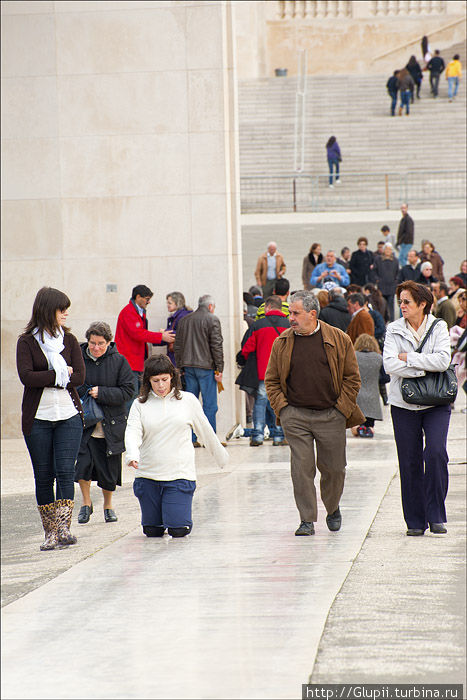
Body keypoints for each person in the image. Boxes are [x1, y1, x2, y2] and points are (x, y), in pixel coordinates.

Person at [265, 290, 364, 536]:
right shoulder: (283, 342)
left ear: (312, 313)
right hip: (296, 416)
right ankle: (306, 519)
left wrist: (342, 409)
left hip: (331, 414)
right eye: (290, 312)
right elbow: (272, 380)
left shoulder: (339, 339)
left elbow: (352, 379)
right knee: (301, 469)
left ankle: (332, 507)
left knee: (334, 468)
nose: (291, 317)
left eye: (295, 313)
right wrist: (283, 409)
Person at [125, 355, 228, 538]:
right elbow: (132, 431)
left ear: (173, 377)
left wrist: (221, 457)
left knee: (178, 530)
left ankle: (178, 515)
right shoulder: (139, 404)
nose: (161, 385)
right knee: (152, 531)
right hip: (148, 475)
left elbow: (206, 431)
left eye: (165, 379)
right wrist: (132, 454)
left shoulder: (188, 401)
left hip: (179, 475)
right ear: (148, 381)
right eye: (155, 381)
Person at [16, 287, 85, 550]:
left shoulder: (69, 340)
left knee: (66, 472)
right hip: (38, 419)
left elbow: (79, 376)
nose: (66, 313)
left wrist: (56, 375)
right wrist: (57, 375)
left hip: (68, 415)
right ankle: (50, 533)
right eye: (61, 309)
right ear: (48, 310)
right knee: (44, 476)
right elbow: (27, 377)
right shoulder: (26, 342)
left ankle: (64, 529)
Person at [383, 281, 452, 536]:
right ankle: (415, 520)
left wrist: (409, 359)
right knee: (409, 461)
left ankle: (436, 515)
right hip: (403, 404)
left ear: (422, 304)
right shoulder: (393, 330)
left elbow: (444, 360)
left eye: (407, 302)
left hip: (436, 402)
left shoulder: (439, 326)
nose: (402, 306)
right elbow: (389, 365)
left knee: (436, 453)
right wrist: (425, 366)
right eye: (400, 301)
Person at [75, 322, 134, 524]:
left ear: (109, 342)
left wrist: (102, 393)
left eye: (101, 343)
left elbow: (128, 391)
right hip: (84, 424)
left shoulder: (119, 361)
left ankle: (108, 505)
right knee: (82, 465)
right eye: (93, 343)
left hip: (110, 425)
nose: (96, 348)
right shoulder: (78, 358)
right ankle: (85, 503)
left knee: (109, 470)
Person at [174, 294, 224, 445]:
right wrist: (220, 368)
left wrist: (180, 365)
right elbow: (216, 345)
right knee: (210, 405)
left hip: (188, 368)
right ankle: (210, 440)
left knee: (191, 405)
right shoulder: (212, 319)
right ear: (210, 306)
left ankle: (192, 438)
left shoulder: (184, 320)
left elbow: (178, 346)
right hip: (206, 368)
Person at [115, 285, 175, 409]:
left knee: (138, 396)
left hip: (136, 362)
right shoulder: (128, 312)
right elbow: (138, 333)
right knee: (132, 397)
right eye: (147, 299)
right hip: (130, 362)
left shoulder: (137, 311)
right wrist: (161, 337)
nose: (149, 302)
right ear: (138, 297)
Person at [241, 296, 290, 446]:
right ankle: (278, 436)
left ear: (268, 307)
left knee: (260, 403)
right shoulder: (288, 325)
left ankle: (258, 435)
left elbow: (247, 349)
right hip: (282, 373)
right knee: (279, 403)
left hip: (263, 372)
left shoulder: (258, 325)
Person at [352, 334, 383, 438]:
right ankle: (368, 430)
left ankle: (358, 429)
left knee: (355, 422)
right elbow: (386, 378)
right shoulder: (378, 358)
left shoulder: (353, 356)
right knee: (370, 423)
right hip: (372, 396)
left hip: (356, 395)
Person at [164, 292, 192, 367]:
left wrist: (164, 332)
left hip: (180, 357)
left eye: (170, 303)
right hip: (176, 355)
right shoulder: (176, 316)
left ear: (178, 303)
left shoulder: (183, 316)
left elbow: (184, 334)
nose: (167, 305)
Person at [374, 243, 399, 322]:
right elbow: (374, 271)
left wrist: (395, 281)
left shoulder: (395, 260)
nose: (388, 251)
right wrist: (377, 279)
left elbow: (397, 272)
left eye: (390, 249)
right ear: (384, 250)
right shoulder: (378, 259)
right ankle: (382, 321)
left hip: (391, 286)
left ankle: (392, 321)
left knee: (391, 306)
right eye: (386, 249)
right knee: (381, 305)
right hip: (381, 286)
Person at [396, 203, 414, 268]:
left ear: (407, 208)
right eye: (402, 208)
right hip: (403, 243)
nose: (403, 210)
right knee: (405, 258)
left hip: (406, 242)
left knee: (401, 258)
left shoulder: (408, 219)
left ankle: (406, 271)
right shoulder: (403, 219)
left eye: (404, 208)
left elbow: (409, 232)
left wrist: (402, 240)